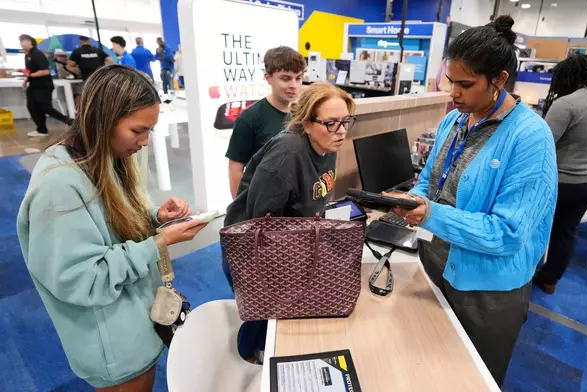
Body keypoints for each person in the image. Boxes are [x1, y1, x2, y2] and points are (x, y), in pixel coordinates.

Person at [388, 16, 557, 387]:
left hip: (486, 289)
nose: (454, 93)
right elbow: (430, 183)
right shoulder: (454, 121)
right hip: (435, 265)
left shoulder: (530, 137)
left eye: (466, 84)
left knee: (472, 379)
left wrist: (430, 214)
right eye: (451, 81)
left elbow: (508, 234)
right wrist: (410, 200)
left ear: (499, 79)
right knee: (427, 370)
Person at [17, 65, 208, 391]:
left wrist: (154, 217)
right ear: (103, 119)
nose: (145, 142)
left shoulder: (103, 159)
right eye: (138, 130)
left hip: (131, 326)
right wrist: (158, 243)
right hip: (113, 346)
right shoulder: (59, 185)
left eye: (150, 130)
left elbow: (109, 225)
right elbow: (82, 279)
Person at [223, 82, 356, 363]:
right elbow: (258, 226)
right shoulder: (286, 155)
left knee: (286, 313)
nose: (341, 131)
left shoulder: (327, 142)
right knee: (263, 316)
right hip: (254, 250)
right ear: (306, 123)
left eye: (345, 121)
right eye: (331, 123)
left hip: (289, 244)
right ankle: (247, 357)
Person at [533, 54, 587, 294]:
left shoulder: (567, 104)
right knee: (567, 230)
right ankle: (549, 279)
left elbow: (542, 144)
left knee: (534, 226)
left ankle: (522, 274)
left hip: (563, 182)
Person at [226, 46, 306, 198]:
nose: (294, 86)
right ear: (268, 77)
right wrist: (241, 212)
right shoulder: (249, 118)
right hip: (263, 202)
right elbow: (235, 168)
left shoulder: (304, 114)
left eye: (298, 78)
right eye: (285, 78)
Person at [18, 34, 73, 137]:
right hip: (34, 85)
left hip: (43, 85)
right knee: (32, 107)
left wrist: (29, 75)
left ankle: (69, 121)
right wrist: (26, 80)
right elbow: (29, 71)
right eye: (20, 41)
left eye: (22, 40)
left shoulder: (37, 54)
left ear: (30, 41)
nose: (21, 43)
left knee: (44, 106)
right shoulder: (27, 55)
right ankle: (42, 130)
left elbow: (45, 71)